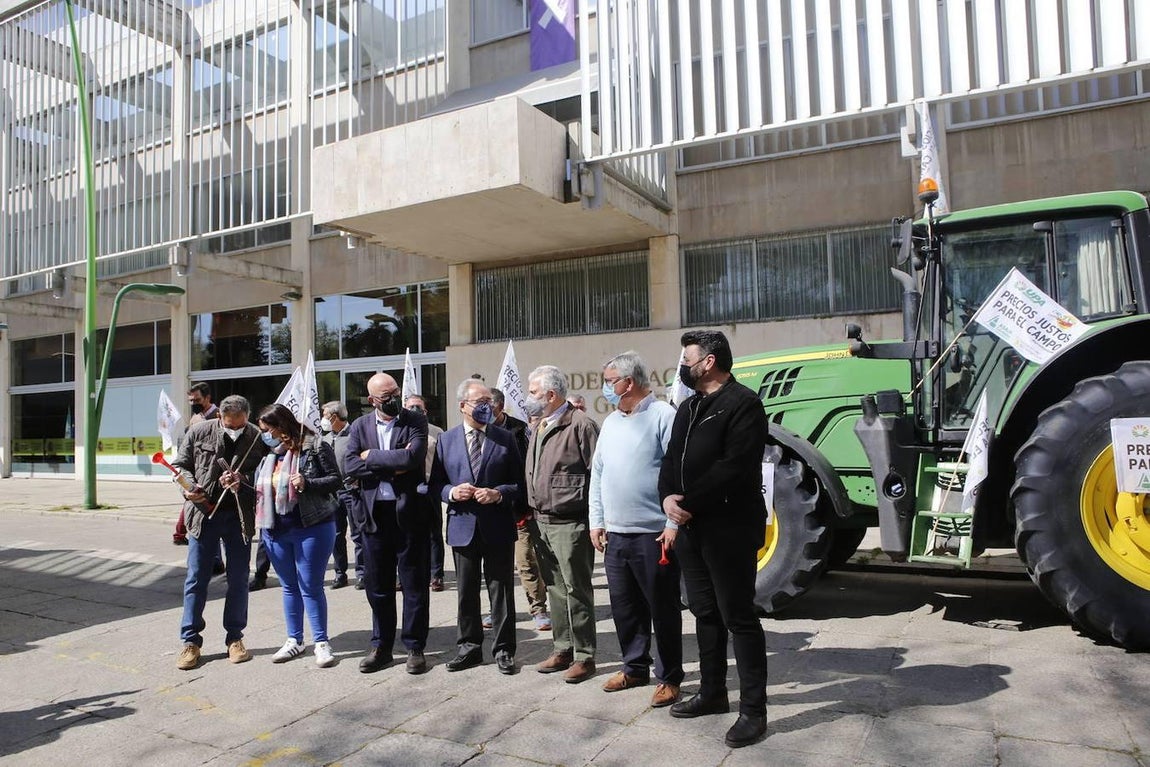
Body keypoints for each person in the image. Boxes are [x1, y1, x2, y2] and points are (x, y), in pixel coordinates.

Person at [658, 330, 770, 748]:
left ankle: (753, 712)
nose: (682, 366)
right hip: (690, 527)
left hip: (729, 528)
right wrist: (667, 496)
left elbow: (734, 466)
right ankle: (712, 692)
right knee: (704, 612)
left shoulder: (744, 404)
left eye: (687, 358)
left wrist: (688, 502)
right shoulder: (688, 407)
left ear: (708, 362)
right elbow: (671, 458)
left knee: (737, 616)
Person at [589, 351, 683, 708]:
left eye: (610, 380)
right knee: (624, 607)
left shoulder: (662, 416)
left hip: (654, 534)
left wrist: (673, 522)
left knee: (662, 608)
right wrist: (597, 521)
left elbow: (676, 474)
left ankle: (670, 677)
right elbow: (598, 474)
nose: (606, 387)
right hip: (616, 535)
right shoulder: (612, 421)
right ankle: (634, 666)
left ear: (628, 382)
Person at [429, 379, 524, 675]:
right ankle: (469, 648)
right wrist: (451, 493)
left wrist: (498, 494)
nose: (487, 406)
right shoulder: (446, 440)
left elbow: (520, 485)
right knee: (466, 592)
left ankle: (504, 649)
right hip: (462, 526)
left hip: (497, 525)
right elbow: (435, 486)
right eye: (480, 402)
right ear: (462, 406)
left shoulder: (505, 438)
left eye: (489, 402)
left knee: (501, 590)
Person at [171, 394, 268, 670]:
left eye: (239, 425)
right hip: (203, 514)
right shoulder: (199, 431)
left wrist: (242, 481)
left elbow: (264, 474)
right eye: (229, 425)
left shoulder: (257, 437)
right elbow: (181, 466)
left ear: (247, 417)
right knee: (196, 579)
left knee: (238, 579)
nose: (235, 430)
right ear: (219, 418)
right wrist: (189, 489)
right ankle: (190, 641)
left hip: (238, 516)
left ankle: (235, 638)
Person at [344, 373, 431, 675]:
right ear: (371, 401)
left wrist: (373, 458)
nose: (393, 399)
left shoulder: (414, 420)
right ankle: (381, 645)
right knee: (378, 586)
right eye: (386, 396)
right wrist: (390, 465)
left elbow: (413, 459)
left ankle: (415, 646)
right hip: (373, 516)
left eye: (395, 392)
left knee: (414, 584)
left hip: (408, 515)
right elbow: (350, 465)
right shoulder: (359, 426)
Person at [525, 365, 599, 683]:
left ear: (551, 395)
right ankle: (563, 647)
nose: (528, 398)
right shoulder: (540, 425)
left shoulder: (581, 425)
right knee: (554, 588)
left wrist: (598, 522)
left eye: (533, 392)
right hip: (541, 522)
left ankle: (584, 655)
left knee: (576, 589)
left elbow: (598, 476)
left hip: (571, 523)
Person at [255, 404, 343, 668]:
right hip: (275, 529)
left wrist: (307, 483)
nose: (265, 435)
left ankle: (321, 642)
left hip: (312, 526)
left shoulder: (314, 446)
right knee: (289, 586)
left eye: (267, 429)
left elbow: (335, 480)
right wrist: (240, 484)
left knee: (311, 586)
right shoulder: (269, 455)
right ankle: (294, 640)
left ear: (281, 426)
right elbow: (261, 489)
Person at [491, 387, 550, 632]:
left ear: (501, 406)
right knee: (497, 568)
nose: (485, 412)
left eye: (490, 406)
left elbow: (530, 467)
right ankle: (498, 612)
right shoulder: (480, 432)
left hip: (520, 510)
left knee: (527, 561)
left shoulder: (518, 430)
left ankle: (538, 608)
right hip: (492, 510)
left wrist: (527, 502)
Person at [406, 393, 446, 592]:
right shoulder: (400, 429)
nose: (414, 410)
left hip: (430, 487)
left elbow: (443, 460)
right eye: (410, 406)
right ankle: (407, 573)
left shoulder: (437, 432)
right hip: (406, 489)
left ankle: (436, 575)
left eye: (418, 407)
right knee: (407, 534)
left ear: (425, 411)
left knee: (433, 534)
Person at [322, 401, 363, 590]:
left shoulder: (355, 434)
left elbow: (363, 459)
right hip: (332, 493)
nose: (323, 418)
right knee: (336, 535)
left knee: (357, 534)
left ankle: (362, 573)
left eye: (325, 415)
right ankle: (340, 574)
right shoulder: (325, 438)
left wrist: (358, 479)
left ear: (334, 416)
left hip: (351, 491)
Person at [173, 382, 218, 546]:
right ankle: (180, 533)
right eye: (191, 401)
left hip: (212, 471)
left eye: (197, 400)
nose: (193, 404)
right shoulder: (195, 418)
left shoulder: (219, 416)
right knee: (193, 500)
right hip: (195, 468)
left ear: (207, 398)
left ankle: (180, 533)